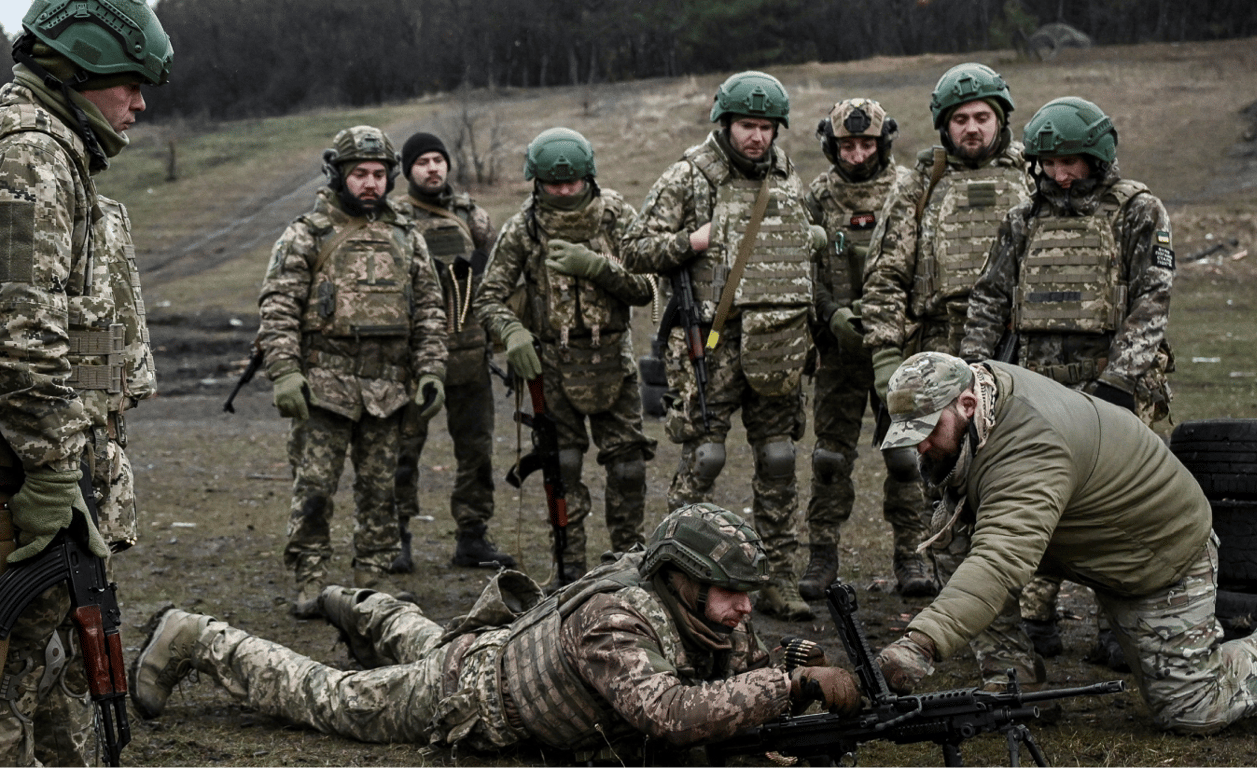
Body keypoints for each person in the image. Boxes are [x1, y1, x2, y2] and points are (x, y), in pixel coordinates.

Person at [129, 504, 860, 761]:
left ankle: (358, 603)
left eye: (746, 596)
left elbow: (737, 674)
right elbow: (667, 716)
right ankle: (197, 636)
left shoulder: (709, 614)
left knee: (423, 635)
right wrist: (788, 685)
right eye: (732, 593)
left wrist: (789, 666)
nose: (743, 610)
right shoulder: (617, 621)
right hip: (466, 698)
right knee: (332, 697)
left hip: (494, 655)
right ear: (681, 576)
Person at [873, 351, 1257, 734]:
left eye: (926, 431)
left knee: (1193, 710)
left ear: (966, 404)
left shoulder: (1032, 445)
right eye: (908, 435)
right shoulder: (976, 395)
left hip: (1156, 553)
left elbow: (1001, 561)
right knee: (954, 531)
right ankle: (1012, 682)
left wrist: (922, 644)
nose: (917, 448)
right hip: (1085, 536)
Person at [0, 0, 171, 764]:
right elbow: (18, 326)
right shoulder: (29, 155)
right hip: (27, 470)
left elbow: (73, 327)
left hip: (59, 463)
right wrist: (49, 465)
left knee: (56, 670)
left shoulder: (63, 155)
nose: (140, 103)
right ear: (77, 71)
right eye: (129, 84)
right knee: (12, 678)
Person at [958, 96, 1177, 664]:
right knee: (1032, 497)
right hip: (1039, 384)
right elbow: (987, 300)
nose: (1061, 174)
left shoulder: (1137, 210)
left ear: (1097, 157)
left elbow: (1152, 300)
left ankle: (1119, 624)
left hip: (1117, 388)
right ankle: (1034, 615)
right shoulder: (1022, 219)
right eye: (1050, 164)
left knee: (1120, 508)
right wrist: (976, 376)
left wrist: (1119, 383)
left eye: (1072, 162)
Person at [622, 71, 823, 620]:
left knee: (779, 457)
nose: (756, 137)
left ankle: (778, 576)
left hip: (777, 339)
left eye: (765, 127)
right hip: (711, 344)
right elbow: (633, 247)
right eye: (745, 126)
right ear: (725, 124)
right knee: (704, 459)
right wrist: (691, 241)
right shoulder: (688, 177)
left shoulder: (785, 175)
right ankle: (678, 575)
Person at [257, 125, 447, 617]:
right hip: (325, 384)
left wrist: (431, 372)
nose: (370, 183)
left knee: (381, 489)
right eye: (359, 173)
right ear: (339, 175)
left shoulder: (407, 236)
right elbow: (278, 306)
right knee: (315, 487)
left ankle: (373, 579)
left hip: (389, 387)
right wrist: (284, 371)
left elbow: (429, 309)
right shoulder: (306, 233)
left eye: (379, 174)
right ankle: (310, 578)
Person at [860, 64, 1030, 597]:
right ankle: (924, 563)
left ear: (1000, 120)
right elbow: (886, 275)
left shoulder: (1031, 177)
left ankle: (1016, 582)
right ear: (944, 125)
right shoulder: (920, 184)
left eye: (983, 117)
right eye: (961, 119)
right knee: (926, 460)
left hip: (1011, 342)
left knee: (1012, 462)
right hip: (935, 340)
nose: (973, 128)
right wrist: (887, 358)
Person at [474, 127, 656, 586]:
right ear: (536, 181)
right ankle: (570, 570)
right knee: (563, 466)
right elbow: (488, 297)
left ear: (589, 177)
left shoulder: (616, 215)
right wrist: (512, 331)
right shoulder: (525, 227)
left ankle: (628, 562)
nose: (562, 190)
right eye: (553, 184)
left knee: (629, 466)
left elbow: (648, 287)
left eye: (572, 182)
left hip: (613, 358)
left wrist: (597, 267)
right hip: (551, 366)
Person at [798, 98, 930, 600]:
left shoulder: (906, 191)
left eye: (866, 144)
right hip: (837, 349)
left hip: (896, 346)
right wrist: (830, 312)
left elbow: (917, 264)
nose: (856, 154)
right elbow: (801, 268)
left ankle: (912, 555)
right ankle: (822, 555)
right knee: (830, 457)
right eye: (847, 145)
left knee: (905, 455)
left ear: (883, 143)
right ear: (833, 146)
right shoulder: (816, 196)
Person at [389, 132, 512, 572]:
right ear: (408, 171)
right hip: (413, 359)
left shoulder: (471, 215)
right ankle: (395, 540)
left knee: (476, 452)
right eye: (422, 161)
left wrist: (502, 340)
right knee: (403, 452)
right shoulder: (396, 219)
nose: (433, 168)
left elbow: (498, 280)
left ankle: (472, 537)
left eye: (439, 160)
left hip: (470, 355)